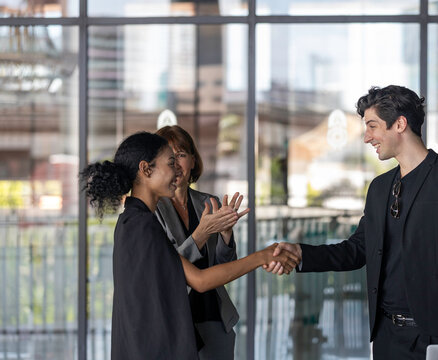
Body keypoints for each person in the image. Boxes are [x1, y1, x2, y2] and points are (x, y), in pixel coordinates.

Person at [265, 85, 438, 359]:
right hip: (386, 336)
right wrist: (302, 253)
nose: (366, 137)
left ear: (400, 123)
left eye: (372, 126)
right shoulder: (380, 187)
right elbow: (358, 249)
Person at [80, 131, 299, 360]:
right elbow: (199, 280)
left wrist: (243, 245)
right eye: (170, 163)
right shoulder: (143, 224)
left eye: (179, 160)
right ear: (146, 169)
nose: (177, 171)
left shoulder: (134, 220)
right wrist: (261, 257)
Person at [154, 125, 248, 360]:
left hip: (214, 316)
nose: (176, 163)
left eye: (182, 155)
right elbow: (166, 269)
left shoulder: (209, 202)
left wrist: (226, 234)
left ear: (193, 161)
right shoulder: (153, 210)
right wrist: (201, 234)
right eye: (169, 157)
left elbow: (225, 266)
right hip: (174, 320)